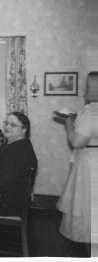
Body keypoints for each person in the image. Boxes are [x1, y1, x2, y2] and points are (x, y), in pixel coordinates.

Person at [55, 71, 98, 252]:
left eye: (87, 86)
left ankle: (92, 251)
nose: (84, 90)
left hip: (91, 163)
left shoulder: (91, 112)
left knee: (89, 208)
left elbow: (77, 142)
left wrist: (68, 124)